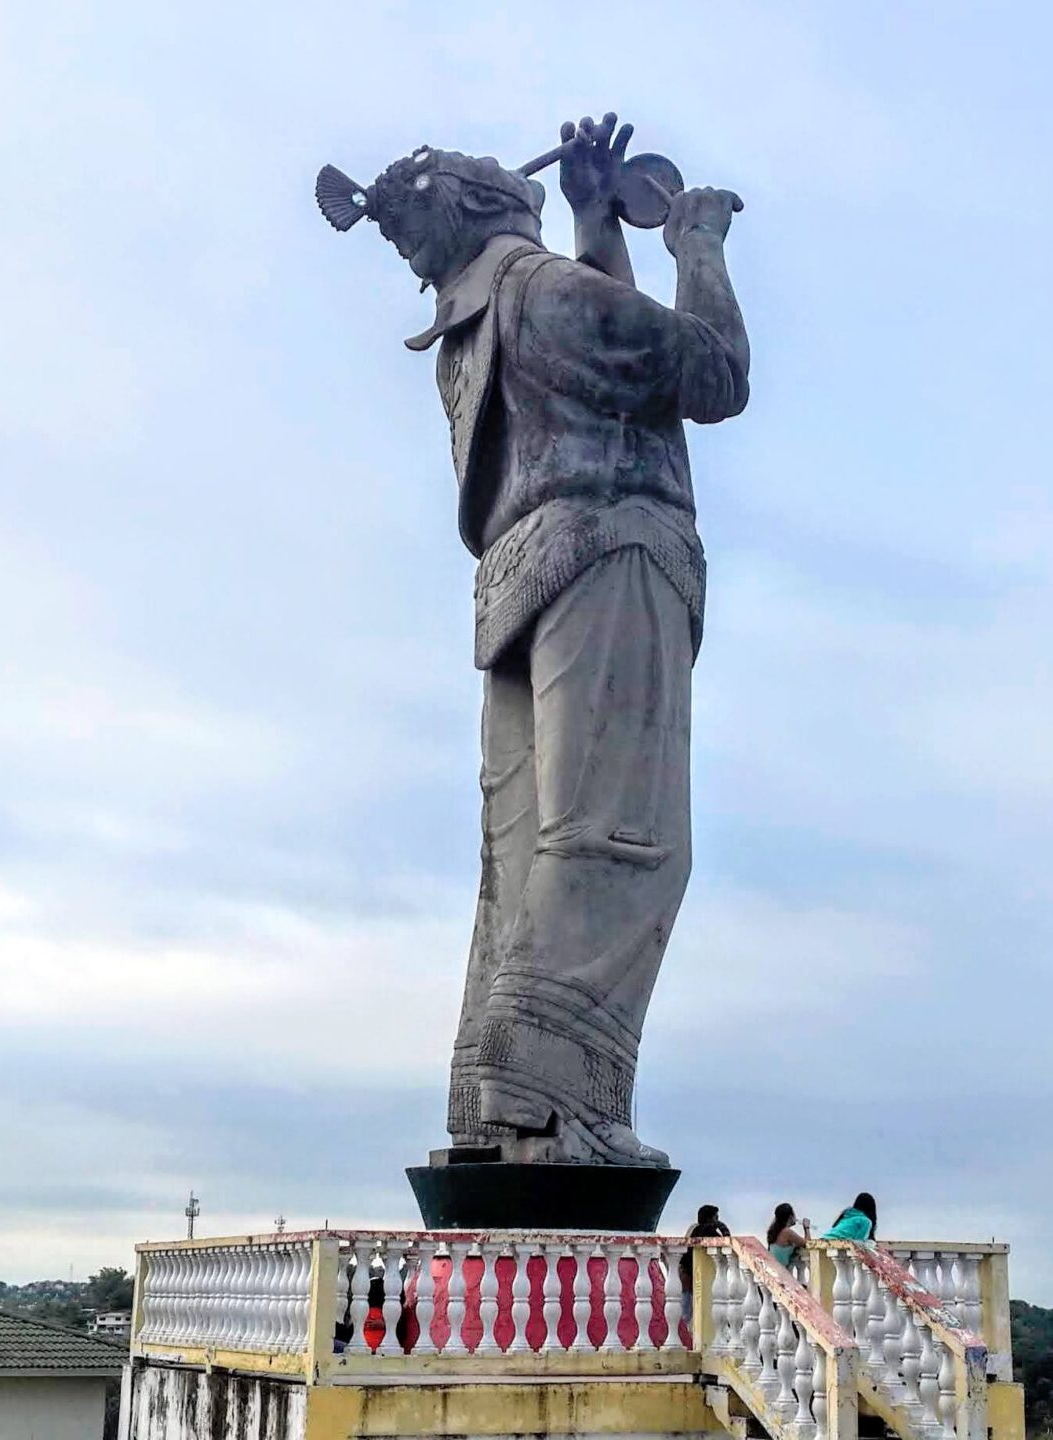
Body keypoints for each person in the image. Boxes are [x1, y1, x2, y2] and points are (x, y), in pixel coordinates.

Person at [327, 115, 750, 1168]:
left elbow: (612, 372)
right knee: (620, 837)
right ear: (498, 208)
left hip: (518, 576)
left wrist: (596, 223)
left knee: (523, 853)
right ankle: (554, 1101)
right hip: (611, 544)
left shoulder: (479, 321)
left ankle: (491, 1101)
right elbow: (706, 377)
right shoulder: (544, 293)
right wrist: (693, 244)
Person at [681, 1204, 732, 1321]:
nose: (718, 1220)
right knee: (700, 1309)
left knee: (687, 1308)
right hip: (699, 1273)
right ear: (710, 1219)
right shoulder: (708, 1230)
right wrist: (721, 1226)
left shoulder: (694, 1229)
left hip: (688, 1271)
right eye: (716, 1218)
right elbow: (726, 1241)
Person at [765, 1203, 807, 1270]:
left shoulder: (775, 1231)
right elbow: (807, 1244)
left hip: (773, 1269)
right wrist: (806, 1228)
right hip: (780, 1272)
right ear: (790, 1217)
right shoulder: (787, 1232)